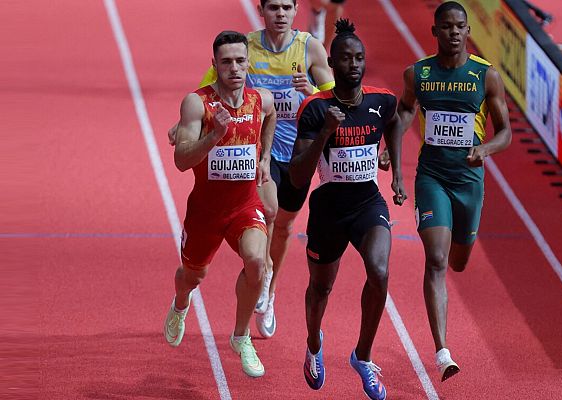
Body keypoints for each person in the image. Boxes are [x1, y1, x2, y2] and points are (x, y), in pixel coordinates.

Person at [168, 0, 334, 339]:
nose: (281, 14)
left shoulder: (310, 48)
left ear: (296, 9)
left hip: (300, 152)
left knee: (285, 227)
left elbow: (335, 100)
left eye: (287, 7)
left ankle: (269, 292)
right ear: (261, 10)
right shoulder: (245, 48)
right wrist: (182, 124)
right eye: (273, 7)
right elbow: (209, 89)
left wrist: (311, 92)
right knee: (269, 209)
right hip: (262, 148)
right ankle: (264, 271)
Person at [385, 1, 512, 382]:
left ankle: (459, 251)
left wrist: (485, 149)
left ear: (468, 30)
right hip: (433, 177)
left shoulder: (486, 76)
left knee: (458, 261)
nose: (454, 33)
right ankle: (442, 352)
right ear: (435, 32)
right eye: (447, 27)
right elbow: (405, 112)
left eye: (460, 27)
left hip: (470, 182)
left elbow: (505, 131)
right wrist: (388, 153)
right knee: (437, 260)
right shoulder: (418, 74)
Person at [289, 19, 403, 400]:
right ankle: (313, 343)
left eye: (359, 58)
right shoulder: (315, 109)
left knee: (380, 271)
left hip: (368, 203)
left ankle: (363, 356)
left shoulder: (380, 100)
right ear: (332, 65)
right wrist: (325, 133)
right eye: (346, 59)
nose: (354, 64)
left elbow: (397, 121)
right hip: (328, 209)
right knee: (321, 287)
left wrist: (396, 168)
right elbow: (297, 176)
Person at [163, 30, 277, 378]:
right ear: (214, 65)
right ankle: (181, 304)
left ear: (248, 63)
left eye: (240, 61)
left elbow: (270, 117)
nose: (234, 68)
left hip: (244, 206)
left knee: (257, 261)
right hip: (206, 213)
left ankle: (241, 337)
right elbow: (181, 160)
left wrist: (267, 157)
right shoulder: (197, 104)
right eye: (226, 61)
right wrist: (214, 136)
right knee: (192, 276)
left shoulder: (261, 100)